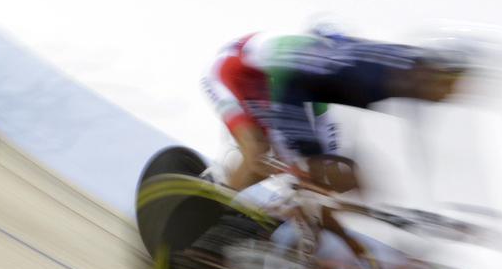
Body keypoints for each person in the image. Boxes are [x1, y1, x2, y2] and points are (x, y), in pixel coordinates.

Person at [201, 30, 474, 190]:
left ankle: (224, 186)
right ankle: (212, 210)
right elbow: (292, 102)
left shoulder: (383, 77)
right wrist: (304, 160)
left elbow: (326, 129)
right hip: (231, 73)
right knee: (258, 151)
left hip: (273, 81)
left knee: (313, 171)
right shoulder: (348, 74)